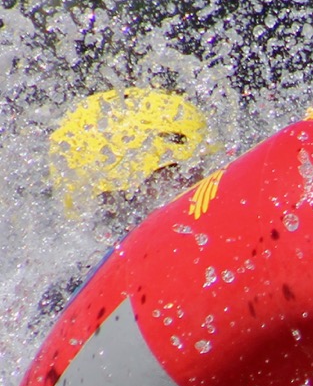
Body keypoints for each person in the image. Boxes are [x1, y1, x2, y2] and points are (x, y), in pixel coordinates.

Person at [37, 88, 213, 325]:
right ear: (111, 199)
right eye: (172, 171)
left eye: (197, 168)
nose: (194, 184)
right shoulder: (71, 293)